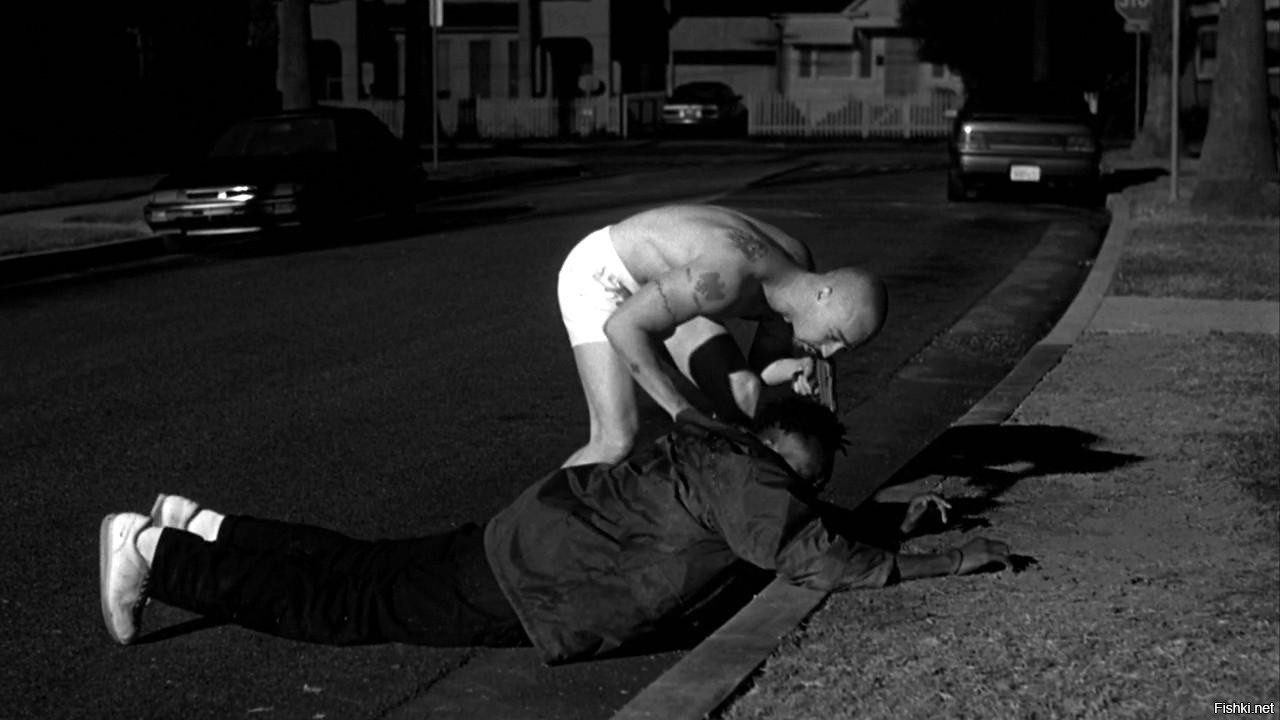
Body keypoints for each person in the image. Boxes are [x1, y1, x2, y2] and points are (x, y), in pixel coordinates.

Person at [99, 398, 1010, 665]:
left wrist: (886, 516)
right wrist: (947, 558)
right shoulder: (752, 485)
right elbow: (813, 554)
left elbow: (795, 521)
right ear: (774, 451)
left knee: (359, 566)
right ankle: (157, 557)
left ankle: (202, 527)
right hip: (529, 583)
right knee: (341, 608)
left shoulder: (723, 451)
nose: (806, 493)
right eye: (805, 478)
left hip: (522, 542)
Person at [557, 203, 887, 467]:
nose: (828, 352)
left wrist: (794, 368)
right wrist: (680, 410)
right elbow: (623, 327)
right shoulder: (727, 275)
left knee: (744, 393)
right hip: (604, 277)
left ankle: (715, 506)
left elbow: (761, 368)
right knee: (615, 439)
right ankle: (538, 518)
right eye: (834, 336)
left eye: (842, 347)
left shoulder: (794, 279)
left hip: (668, 290)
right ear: (824, 294)